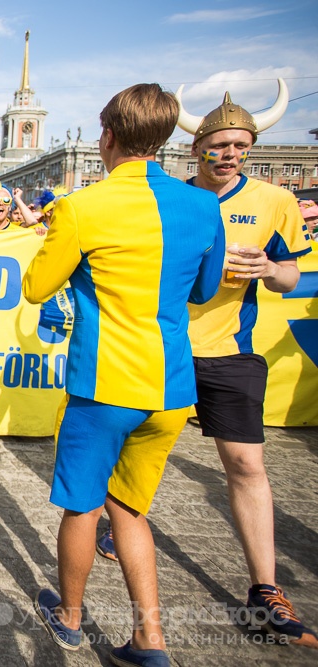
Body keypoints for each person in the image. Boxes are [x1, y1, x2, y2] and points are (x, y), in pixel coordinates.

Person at [23, 83, 225, 666]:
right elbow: (205, 290)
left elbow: (36, 287)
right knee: (130, 511)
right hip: (171, 388)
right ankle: (149, 640)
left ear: (107, 136)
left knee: (83, 508)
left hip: (104, 386)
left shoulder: (83, 207)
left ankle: (69, 619)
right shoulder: (203, 206)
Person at [171, 82, 314, 647]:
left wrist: (269, 271)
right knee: (140, 446)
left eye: (241, 146)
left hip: (232, 350)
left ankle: (265, 589)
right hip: (167, 345)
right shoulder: (172, 198)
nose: (230, 155)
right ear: (197, 148)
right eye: (220, 145)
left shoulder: (276, 201)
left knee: (247, 466)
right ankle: (121, 521)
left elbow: (291, 275)